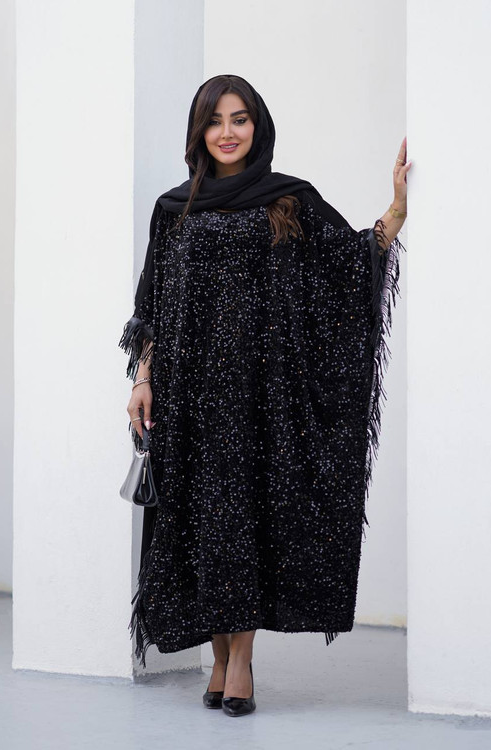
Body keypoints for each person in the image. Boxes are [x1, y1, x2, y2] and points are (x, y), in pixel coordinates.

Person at [119, 73, 410, 716]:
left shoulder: (288, 200)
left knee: (245, 521)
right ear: (198, 131)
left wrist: (395, 211)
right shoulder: (174, 209)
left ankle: (241, 661)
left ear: (258, 126)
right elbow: (154, 306)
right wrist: (143, 378)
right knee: (204, 524)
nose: (227, 132)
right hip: (190, 397)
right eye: (215, 121)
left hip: (260, 399)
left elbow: (347, 263)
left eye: (240, 119)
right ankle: (219, 656)